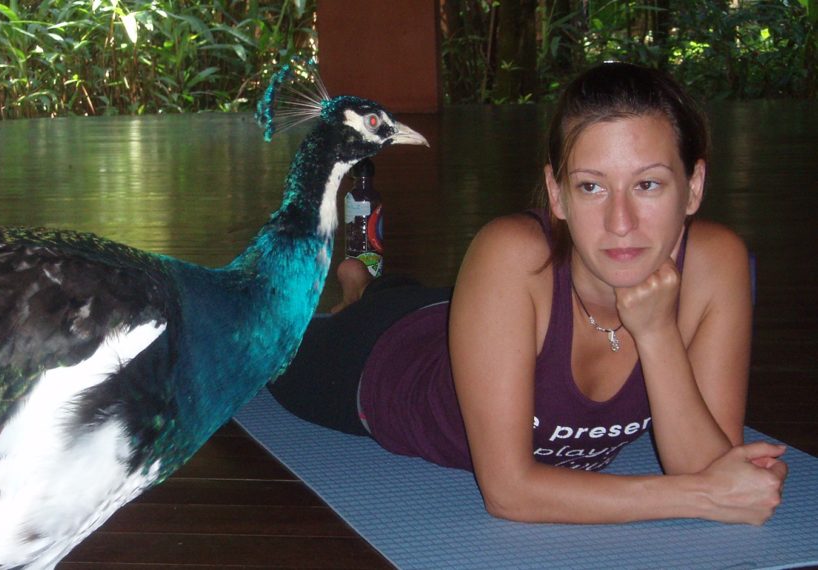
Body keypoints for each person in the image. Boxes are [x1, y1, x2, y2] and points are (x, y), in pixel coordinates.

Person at [268, 62, 787, 525]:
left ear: (693, 186)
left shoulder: (717, 263)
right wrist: (697, 498)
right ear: (557, 193)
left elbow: (713, 467)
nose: (621, 222)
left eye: (648, 185)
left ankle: (366, 281)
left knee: (466, 304)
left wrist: (657, 332)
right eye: (591, 186)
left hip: (476, 312)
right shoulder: (511, 253)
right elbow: (510, 493)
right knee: (270, 339)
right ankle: (360, 293)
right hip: (374, 363)